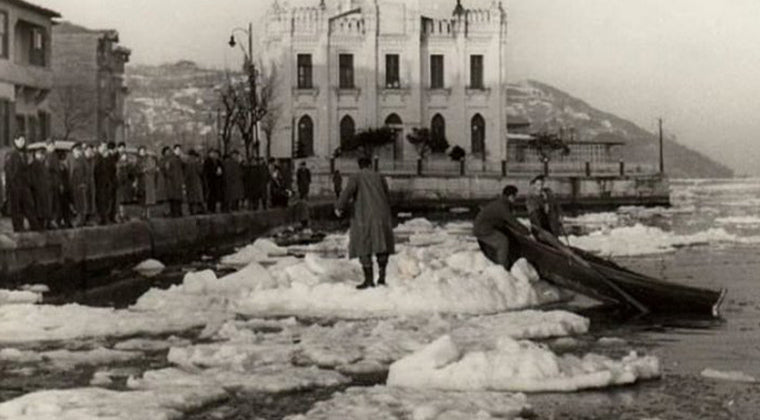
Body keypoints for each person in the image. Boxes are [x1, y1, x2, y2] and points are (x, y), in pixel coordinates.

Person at [335, 156, 395, 289]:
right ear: (370, 164)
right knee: (382, 245)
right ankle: (382, 277)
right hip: (382, 215)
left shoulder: (356, 177)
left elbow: (347, 193)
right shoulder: (380, 177)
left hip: (364, 216)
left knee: (364, 245)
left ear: (359, 165)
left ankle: (368, 280)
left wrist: (339, 207)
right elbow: (387, 196)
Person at [473, 185, 531, 267]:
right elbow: (512, 221)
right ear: (510, 196)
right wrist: (527, 232)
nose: (515, 199)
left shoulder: (502, 203)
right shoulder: (502, 206)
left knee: (508, 236)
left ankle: (508, 260)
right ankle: (502, 267)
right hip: (483, 230)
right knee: (503, 242)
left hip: (487, 227)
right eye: (514, 196)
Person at [4, 135, 38, 232]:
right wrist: (11, 187)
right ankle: (19, 228)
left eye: (23, 140)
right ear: (15, 141)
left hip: (24, 186)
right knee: (17, 209)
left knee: (29, 206)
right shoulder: (12, 154)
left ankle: (33, 226)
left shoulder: (24, 153)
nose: (22, 142)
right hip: (15, 187)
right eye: (20, 140)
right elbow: (9, 173)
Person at [526, 175, 564, 240]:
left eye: (541, 184)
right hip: (542, 228)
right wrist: (539, 230)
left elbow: (557, 205)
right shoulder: (531, 198)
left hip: (553, 224)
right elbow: (534, 216)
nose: (540, 187)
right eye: (538, 184)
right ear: (533, 185)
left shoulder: (548, 193)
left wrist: (560, 215)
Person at [29, 148, 51, 230]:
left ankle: (41, 226)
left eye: (43, 154)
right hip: (37, 192)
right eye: (39, 154)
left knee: (42, 211)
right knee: (38, 211)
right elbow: (32, 180)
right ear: (35, 155)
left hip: (43, 192)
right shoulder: (33, 166)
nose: (41, 156)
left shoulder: (44, 165)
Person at [69, 143, 90, 227]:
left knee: (81, 204)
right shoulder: (69, 159)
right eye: (77, 150)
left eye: (79, 150)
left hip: (80, 186)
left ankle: (80, 220)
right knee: (72, 204)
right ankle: (72, 220)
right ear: (73, 151)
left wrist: (84, 183)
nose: (78, 152)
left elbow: (87, 173)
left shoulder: (83, 161)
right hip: (71, 185)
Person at [162, 145, 185, 218]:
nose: (179, 151)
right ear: (174, 150)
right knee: (174, 198)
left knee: (177, 198)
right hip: (173, 182)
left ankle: (178, 212)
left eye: (180, 150)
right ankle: (175, 213)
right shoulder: (171, 159)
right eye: (177, 150)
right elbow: (166, 170)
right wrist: (172, 176)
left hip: (177, 181)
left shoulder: (178, 159)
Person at [44, 140, 62, 228]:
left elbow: (58, 169)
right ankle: (49, 222)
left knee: (56, 203)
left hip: (55, 183)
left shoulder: (55, 156)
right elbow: (46, 170)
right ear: (47, 146)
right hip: (48, 184)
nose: (52, 147)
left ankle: (54, 221)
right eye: (50, 145)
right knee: (49, 203)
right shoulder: (46, 156)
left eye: (53, 145)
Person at [137, 147, 158, 219]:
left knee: (148, 199)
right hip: (141, 182)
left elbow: (153, 168)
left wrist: (146, 170)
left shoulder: (149, 159)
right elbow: (135, 170)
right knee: (142, 198)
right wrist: (140, 171)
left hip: (148, 181)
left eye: (143, 151)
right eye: (140, 151)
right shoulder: (138, 160)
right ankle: (143, 213)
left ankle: (148, 214)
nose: (142, 153)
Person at [184, 149, 205, 215]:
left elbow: (186, 174)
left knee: (191, 197)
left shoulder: (187, 163)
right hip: (196, 181)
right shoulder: (196, 163)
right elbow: (200, 171)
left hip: (189, 182)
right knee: (197, 197)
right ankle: (198, 210)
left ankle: (192, 210)